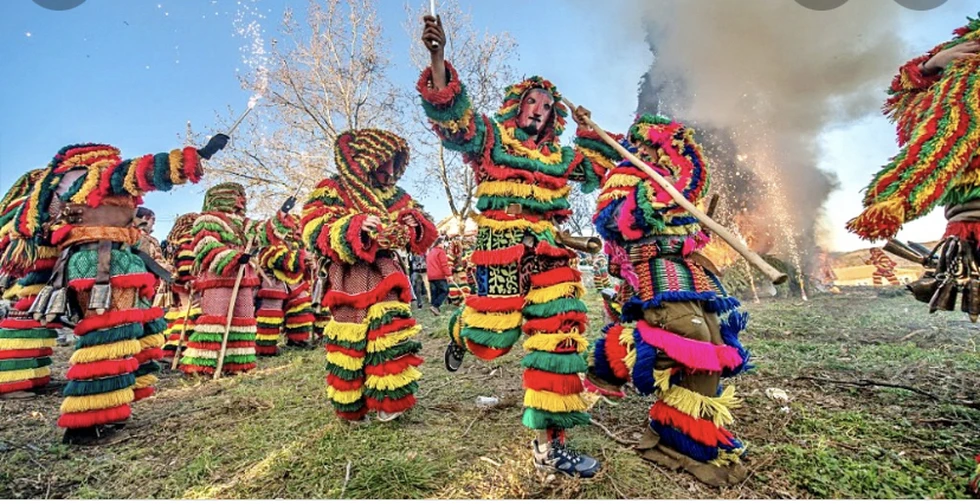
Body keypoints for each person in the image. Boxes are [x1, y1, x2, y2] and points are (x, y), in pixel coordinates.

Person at [418, 14, 624, 478]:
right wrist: (436, 58)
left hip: (552, 253)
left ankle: (551, 445)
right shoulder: (491, 139)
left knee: (560, 338)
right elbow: (455, 123)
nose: (539, 109)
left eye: (548, 105)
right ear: (517, 105)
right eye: (532, 101)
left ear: (554, 116)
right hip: (499, 248)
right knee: (493, 340)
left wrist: (594, 130)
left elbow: (599, 166)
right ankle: (462, 328)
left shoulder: (560, 157)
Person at [4, 134, 228, 444]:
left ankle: (105, 412)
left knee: (118, 335)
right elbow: (139, 171)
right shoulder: (90, 175)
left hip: (104, 259)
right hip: (102, 262)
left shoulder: (56, 182)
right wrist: (192, 157)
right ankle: (86, 425)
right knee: (107, 337)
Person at [846, 13, 980, 494]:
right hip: (969, 224)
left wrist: (896, 196)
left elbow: (944, 138)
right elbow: (912, 106)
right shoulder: (964, 66)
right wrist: (935, 64)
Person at [587, 114, 751, 486]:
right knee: (687, 339)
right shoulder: (625, 177)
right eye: (646, 145)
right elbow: (609, 221)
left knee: (713, 346)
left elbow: (689, 226)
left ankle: (683, 436)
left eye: (658, 146)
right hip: (655, 271)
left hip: (693, 273)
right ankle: (609, 359)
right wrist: (649, 198)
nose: (652, 152)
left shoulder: (679, 180)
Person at [301, 129, 438, 423]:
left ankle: (391, 399)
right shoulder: (332, 188)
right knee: (350, 335)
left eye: (394, 161)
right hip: (347, 273)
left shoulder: (397, 196)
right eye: (384, 160)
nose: (389, 169)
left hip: (387, 269)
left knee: (389, 328)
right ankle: (352, 403)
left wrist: (412, 224)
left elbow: (423, 225)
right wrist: (355, 225)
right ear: (366, 159)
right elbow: (312, 228)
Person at [179, 182, 259, 377]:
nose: (241, 200)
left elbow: (262, 234)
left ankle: (237, 363)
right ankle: (202, 365)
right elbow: (205, 245)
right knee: (215, 318)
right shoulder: (207, 219)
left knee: (244, 317)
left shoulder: (245, 223)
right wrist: (232, 257)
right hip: (219, 274)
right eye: (235, 195)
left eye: (242, 195)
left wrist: (281, 218)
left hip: (243, 274)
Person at [250, 200, 314, 355]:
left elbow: (303, 259)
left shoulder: (299, 244)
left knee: (300, 308)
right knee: (270, 313)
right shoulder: (268, 243)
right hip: (273, 282)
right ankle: (265, 347)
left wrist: (309, 264)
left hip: (295, 281)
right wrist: (300, 257)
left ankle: (298, 339)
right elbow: (272, 258)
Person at [160, 212, 200, 365]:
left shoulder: (174, 239)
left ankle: (171, 350)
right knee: (189, 315)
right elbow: (186, 260)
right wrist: (190, 279)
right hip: (186, 283)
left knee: (178, 315)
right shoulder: (188, 236)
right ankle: (177, 351)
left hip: (176, 283)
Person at [426, 236, 451, 316]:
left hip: (430, 275)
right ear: (440, 243)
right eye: (443, 243)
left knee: (435, 293)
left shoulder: (431, 251)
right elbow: (444, 264)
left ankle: (435, 310)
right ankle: (435, 306)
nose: (444, 244)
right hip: (438, 275)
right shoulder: (440, 251)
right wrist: (449, 274)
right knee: (445, 290)